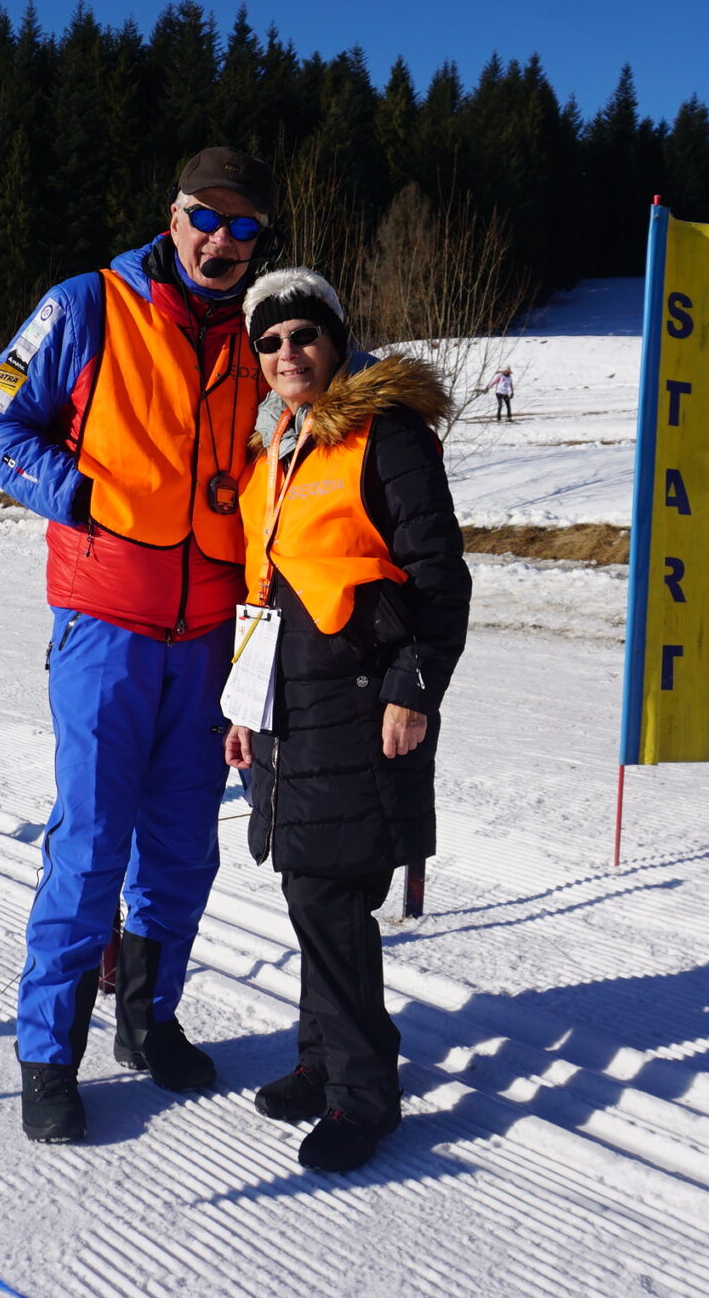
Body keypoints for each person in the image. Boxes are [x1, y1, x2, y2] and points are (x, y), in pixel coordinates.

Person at [0, 146, 278, 1144]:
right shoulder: (86, 305)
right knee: (91, 846)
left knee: (182, 849)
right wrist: (82, 494)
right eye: (205, 218)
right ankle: (48, 1054)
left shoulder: (261, 335)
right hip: (104, 628)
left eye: (243, 227)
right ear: (171, 214)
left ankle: (148, 1019)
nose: (221, 241)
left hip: (209, 639)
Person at [223, 267, 468, 1173]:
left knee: (329, 895)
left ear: (334, 338)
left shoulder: (385, 434)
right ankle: (321, 1059)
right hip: (288, 706)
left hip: (361, 702)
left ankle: (363, 1095)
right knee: (311, 890)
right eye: (270, 342)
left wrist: (413, 688)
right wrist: (243, 706)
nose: (288, 353)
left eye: (304, 335)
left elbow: (439, 576)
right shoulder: (275, 445)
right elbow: (264, 587)